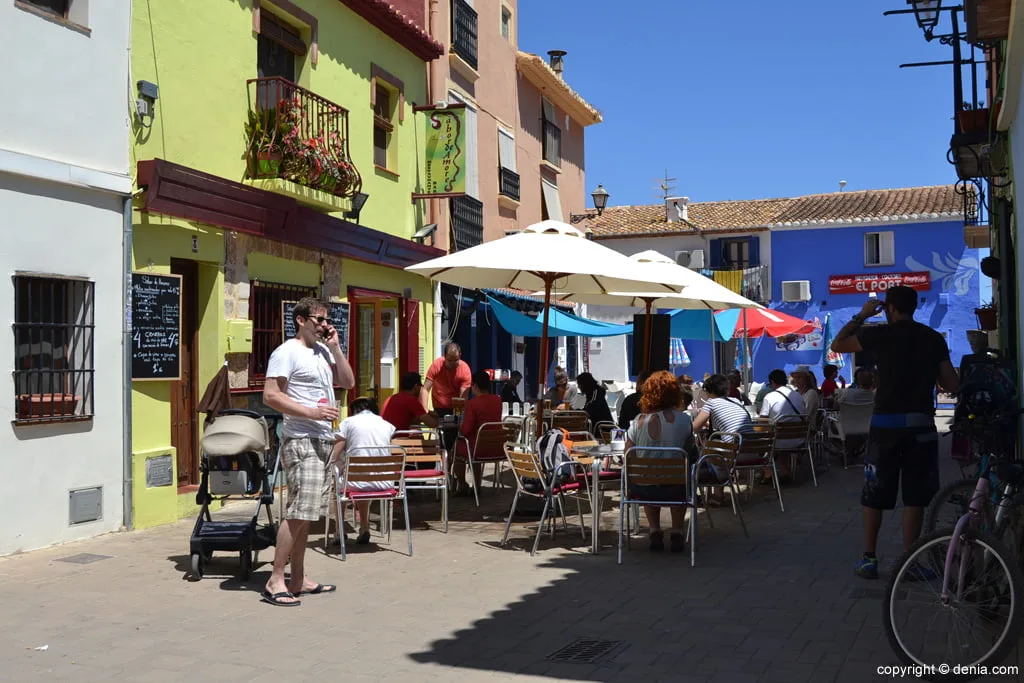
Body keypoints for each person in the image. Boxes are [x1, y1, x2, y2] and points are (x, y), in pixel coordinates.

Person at [830, 286, 958, 580]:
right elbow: (950, 383)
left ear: (889, 308)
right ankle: (909, 562)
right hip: (921, 427)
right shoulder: (933, 338)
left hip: (885, 426)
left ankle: (869, 559)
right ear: (914, 307)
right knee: (915, 498)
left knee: (874, 493)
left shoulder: (879, 335)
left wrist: (861, 315)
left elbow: (838, 345)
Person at [261, 296, 355, 607]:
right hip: (301, 439)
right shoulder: (286, 352)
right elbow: (271, 396)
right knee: (299, 512)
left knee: (309, 514)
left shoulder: (322, 352)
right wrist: (310, 413)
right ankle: (276, 579)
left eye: (328, 320)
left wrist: (337, 349)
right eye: (319, 319)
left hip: (322, 441)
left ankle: (298, 579)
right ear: (301, 320)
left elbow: (348, 382)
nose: (326, 325)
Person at [624, 370, 693, 553]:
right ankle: (677, 531)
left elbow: (627, 455)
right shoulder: (685, 420)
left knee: (649, 474)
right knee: (681, 476)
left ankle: (654, 530)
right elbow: (690, 451)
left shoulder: (637, 421)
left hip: (643, 489)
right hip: (675, 488)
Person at [331, 396, 395, 546]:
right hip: (384, 483)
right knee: (363, 478)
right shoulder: (386, 424)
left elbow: (335, 453)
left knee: (339, 483)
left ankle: (339, 530)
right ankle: (365, 527)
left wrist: (331, 463)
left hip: (356, 481)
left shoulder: (348, 423)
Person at [691, 373, 753, 504]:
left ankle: (718, 495)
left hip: (735, 455)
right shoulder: (735, 401)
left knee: (707, 449)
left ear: (708, 391)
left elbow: (694, 428)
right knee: (715, 445)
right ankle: (717, 494)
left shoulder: (711, 403)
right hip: (752, 451)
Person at [453, 371, 504, 495]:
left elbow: (466, 430)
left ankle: (462, 484)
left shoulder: (472, 404)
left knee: (455, 449)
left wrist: (460, 428)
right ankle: (476, 485)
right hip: (496, 447)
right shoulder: (497, 401)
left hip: (478, 448)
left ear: (474, 386)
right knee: (473, 447)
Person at [421, 342, 472, 418]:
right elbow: (425, 389)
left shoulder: (465, 370)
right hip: (439, 406)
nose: (452, 363)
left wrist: (458, 416)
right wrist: (425, 411)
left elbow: (462, 398)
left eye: (455, 360)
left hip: (456, 407)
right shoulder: (436, 365)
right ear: (444, 357)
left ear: (460, 356)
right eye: (449, 360)